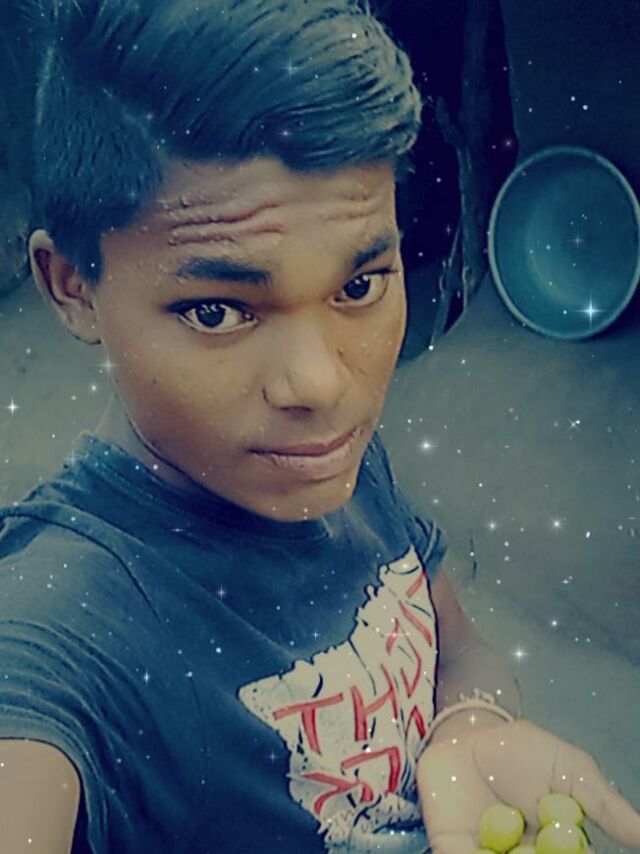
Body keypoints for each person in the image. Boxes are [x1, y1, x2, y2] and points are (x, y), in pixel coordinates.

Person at [1, 0, 639, 852]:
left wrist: (468, 728)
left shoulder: (334, 462)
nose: (323, 383)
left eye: (358, 287)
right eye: (218, 310)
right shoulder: (57, 634)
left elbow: (455, 644)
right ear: (72, 287)